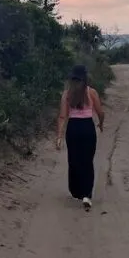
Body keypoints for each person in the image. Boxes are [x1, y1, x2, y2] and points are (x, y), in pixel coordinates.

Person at [56, 64, 104, 210]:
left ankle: (76, 191)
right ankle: (86, 195)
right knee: (87, 161)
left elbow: (62, 116)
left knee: (74, 160)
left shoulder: (66, 94)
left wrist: (59, 136)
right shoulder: (91, 92)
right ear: (85, 77)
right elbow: (100, 112)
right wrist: (101, 124)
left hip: (73, 129)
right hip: (87, 128)